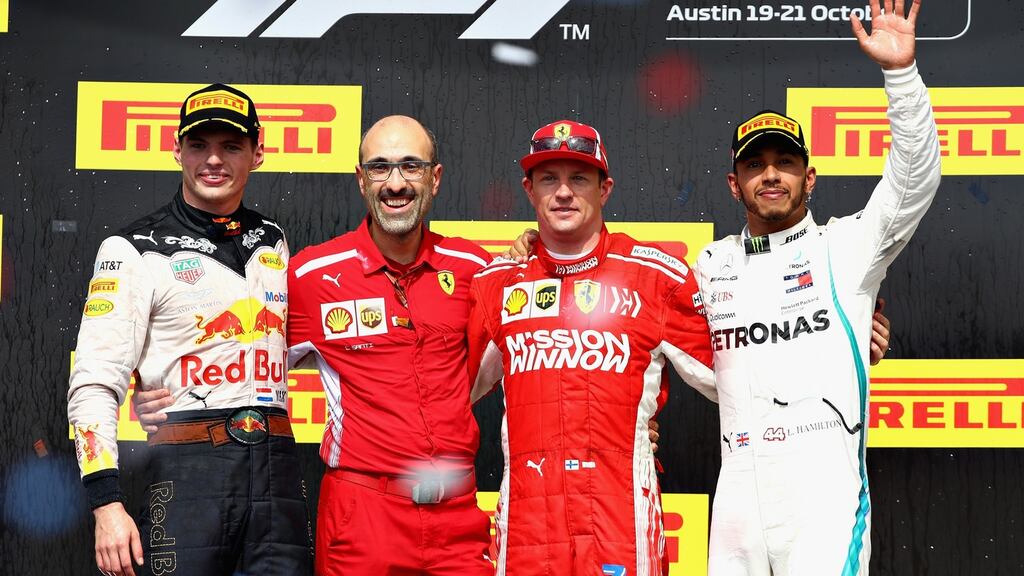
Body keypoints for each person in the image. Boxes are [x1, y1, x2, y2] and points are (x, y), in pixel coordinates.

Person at [701, 1, 940, 574]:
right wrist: (532, 250)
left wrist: (901, 75)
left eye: (785, 162)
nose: (771, 174)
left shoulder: (848, 246)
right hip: (736, 502)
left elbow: (913, 180)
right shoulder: (709, 265)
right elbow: (670, 346)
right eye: (755, 165)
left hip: (823, 501)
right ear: (735, 184)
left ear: (809, 177)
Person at [68, 83, 312, 576]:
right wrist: (106, 504)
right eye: (199, 145)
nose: (213, 160)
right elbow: (94, 381)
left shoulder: (273, 240)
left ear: (258, 152)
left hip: (277, 475)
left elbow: (279, 345)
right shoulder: (133, 248)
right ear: (176, 149)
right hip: (188, 471)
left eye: (231, 146)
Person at [466, 119, 718, 575]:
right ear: (529, 190)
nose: (564, 192)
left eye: (579, 178)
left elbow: (738, 376)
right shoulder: (497, 284)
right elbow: (441, 396)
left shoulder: (656, 277)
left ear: (605, 189)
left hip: (621, 524)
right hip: (526, 528)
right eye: (549, 178)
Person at [285, 115, 494, 575]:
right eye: (379, 167)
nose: (395, 183)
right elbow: (245, 362)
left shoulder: (475, 268)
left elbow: (542, 345)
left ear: (435, 179)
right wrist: (162, 385)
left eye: (411, 166)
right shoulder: (311, 275)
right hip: (363, 516)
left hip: (458, 516)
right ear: (361, 180)